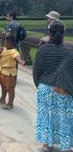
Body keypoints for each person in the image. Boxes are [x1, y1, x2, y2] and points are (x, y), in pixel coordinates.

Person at [33, 21, 72, 152]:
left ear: (49, 33)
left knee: (46, 117)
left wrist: (39, 85)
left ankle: (47, 145)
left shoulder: (43, 49)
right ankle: (65, 145)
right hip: (63, 90)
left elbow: (36, 71)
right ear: (64, 34)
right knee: (64, 118)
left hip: (45, 87)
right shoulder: (68, 50)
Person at [0, 35, 25, 109]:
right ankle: (2, 99)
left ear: (10, 43)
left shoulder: (14, 51)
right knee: (3, 87)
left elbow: (17, 57)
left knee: (10, 89)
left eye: (5, 41)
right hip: (3, 71)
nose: (4, 43)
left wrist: (21, 61)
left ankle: (10, 103)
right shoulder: (5, 49)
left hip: (10, 73)